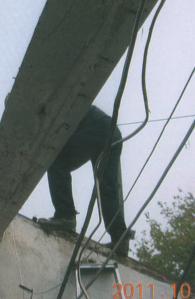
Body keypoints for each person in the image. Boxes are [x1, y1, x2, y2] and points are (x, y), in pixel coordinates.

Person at [37, 105, 129, 257]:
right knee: (106, 187)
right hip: (111, 130)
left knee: (56, 162)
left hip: (96, 127)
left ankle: (65, 216)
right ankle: (120, 239)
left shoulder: (43, 105)